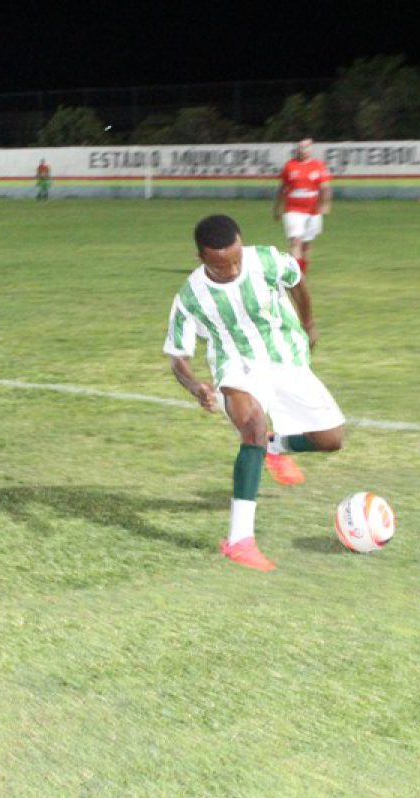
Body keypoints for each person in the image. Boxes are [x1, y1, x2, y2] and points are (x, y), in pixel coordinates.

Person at [164, 214, 345, 572]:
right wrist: (195, 385)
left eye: (236, 259)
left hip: (286, 358)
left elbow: (296, 280)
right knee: (251, 425)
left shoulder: (266, 260)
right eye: (221, 264)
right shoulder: (190, 297)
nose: (232, 270)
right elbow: (176, 356)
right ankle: (239, 540)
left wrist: (308, 323)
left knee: (331, 439)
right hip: (237, 365)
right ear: (201, 258)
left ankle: (274, 447)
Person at [272, 138, 332, 277]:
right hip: (293, 210)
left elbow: (325, 187)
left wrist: (326, 205)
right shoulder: (290, 166)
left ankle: (302, 271)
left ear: (311, 149)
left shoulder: (318, 166)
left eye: (305, 147)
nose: (302, 150)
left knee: (307, 242)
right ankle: (295, 273)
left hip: (313, 211)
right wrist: (277, 207)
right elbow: (282, 188)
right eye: (300, 147)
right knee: (295, 240)